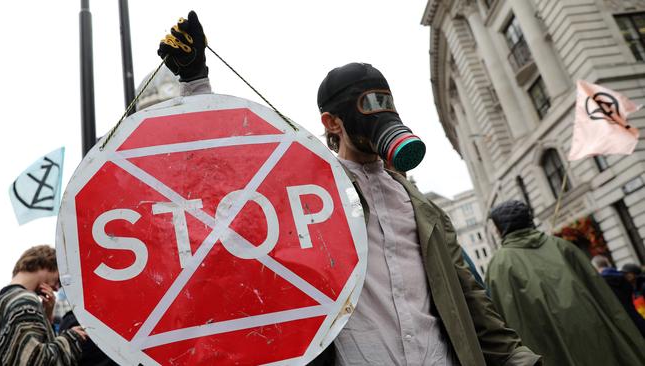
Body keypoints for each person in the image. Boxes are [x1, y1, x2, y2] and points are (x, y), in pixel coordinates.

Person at [157, 11, 541, 365]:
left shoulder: (420, 207)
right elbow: (224, 192)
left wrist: (518, 360)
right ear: (332, 122)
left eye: (386, 101)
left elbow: (469, 297)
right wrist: (195, 86)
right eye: (366, 104)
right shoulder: (307, 192)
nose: (381, 113)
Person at [485, 200, 645, 366]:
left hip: (546, 353)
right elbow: (606, 301)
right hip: (597, 346)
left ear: (500, 229)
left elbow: (503, 321)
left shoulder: (499, 265)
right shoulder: (563, 247)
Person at [0, 245, 87, 365]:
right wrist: (71, 338)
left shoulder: (0, 301)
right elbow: (33, 360)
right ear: (48, 264)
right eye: (59, 280)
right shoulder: (25, 300)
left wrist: (47, 315)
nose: (56, 288)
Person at [591, 255, 645, 336]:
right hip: (637, 318)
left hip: (626, 325)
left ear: (595, 268)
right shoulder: (621, 276)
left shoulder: (601, 283)